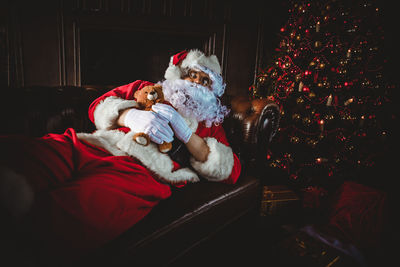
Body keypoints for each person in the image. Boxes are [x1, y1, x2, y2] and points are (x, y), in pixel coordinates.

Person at [0, 49, 241, 258]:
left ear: (213, 90)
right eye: (192, 74)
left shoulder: (210, 124)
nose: (196, 82)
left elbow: (230, 171)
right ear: (179, 73)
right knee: (30, 154)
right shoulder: (144, 88)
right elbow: (98, 106)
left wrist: (187, 135)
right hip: (96, 143)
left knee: (76, 211)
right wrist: (130, 115)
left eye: (205, 80)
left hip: (141, 170)